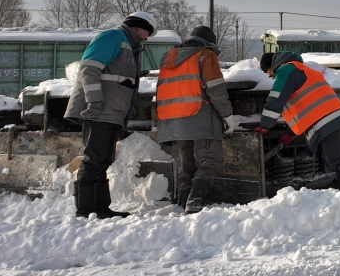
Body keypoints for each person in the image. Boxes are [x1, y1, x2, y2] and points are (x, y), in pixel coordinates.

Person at [65, 11, 155, 218]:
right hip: (100, 110)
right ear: (137, 27)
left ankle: (100, 208)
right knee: (94, 160)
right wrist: (94, 102)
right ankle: (86, 209)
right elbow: (89, 69)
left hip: (111, 112)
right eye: (147, 32)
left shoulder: (128, 46)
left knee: (102, 160)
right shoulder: (113, 37)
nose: (147, 37)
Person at [156, 25, 240, 213]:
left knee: (184, 164)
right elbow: (216, 89)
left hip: (171, 120)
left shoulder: (167, 58)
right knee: (211, 159)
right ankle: (195, 202)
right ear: (210, 42)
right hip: (199, 116)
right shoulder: (205, 55)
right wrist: (227, 115)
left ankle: (184, 201)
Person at [257, 51, 340, 189]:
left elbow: (276, 100)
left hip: (328, 118)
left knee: (336, 158)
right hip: (332, 116)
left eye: (268, 71)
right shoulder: (298, 69)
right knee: (333, 159)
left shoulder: (285, 70)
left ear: (273, 65)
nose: (269, 75)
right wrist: (289, 134)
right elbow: (302, 106)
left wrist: (265, 125)